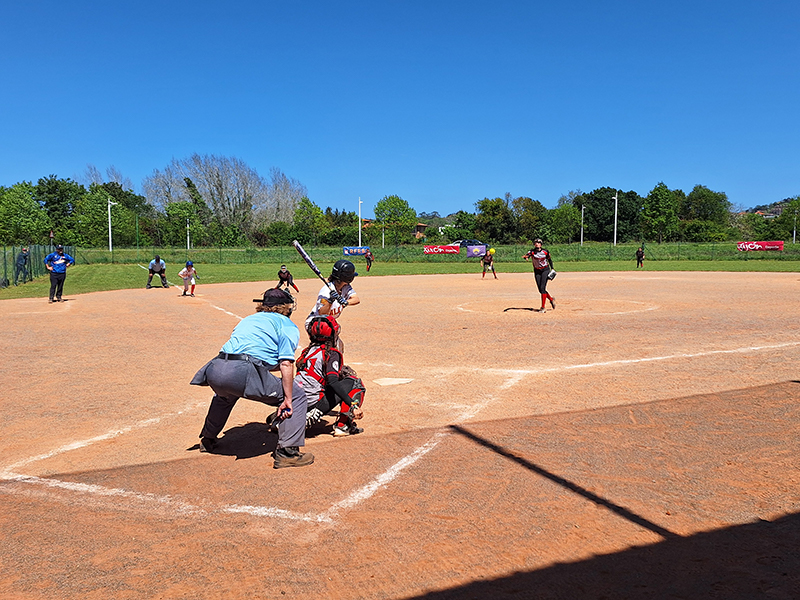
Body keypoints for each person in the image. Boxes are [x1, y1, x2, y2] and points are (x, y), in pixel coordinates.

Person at [190, 288, 313, 469]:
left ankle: (207, 440)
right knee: (297, 396)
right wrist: (287, 398)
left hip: (216, 369)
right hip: (242, 371)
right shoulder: (287, 325)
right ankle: (288, 453)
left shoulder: (247, 320)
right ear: (286, 307)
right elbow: (286, 363)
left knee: (225, 395)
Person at [289, 316, 366, 437]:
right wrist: (353, 405)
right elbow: (332, 381)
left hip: (296, 399)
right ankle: (343, 425)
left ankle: (289, 416)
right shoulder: (331, 353)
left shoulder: (306, 351)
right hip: (313, 401)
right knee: (354, 382)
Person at [305, 259, 360, 345]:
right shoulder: (326, 292)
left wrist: (346, 302)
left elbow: (356, 299)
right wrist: (330, 301)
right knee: (328, 348)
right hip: (317, 323)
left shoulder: (345, 287)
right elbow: (322, 313)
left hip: (327, 322)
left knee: (339, 346)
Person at [523, 238, 555, 313]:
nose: (537, 244)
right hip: (537, 271)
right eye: (535, 243)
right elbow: (528, 255)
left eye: (538, 243)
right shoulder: (532, 252)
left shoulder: (545, 252)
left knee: (543, 288)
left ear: (541, 244)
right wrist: (526, 257)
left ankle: (543, 307)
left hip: (545, 270)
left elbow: (549, 260)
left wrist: (552, 269)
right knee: (540, 290)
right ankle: (551, 299)